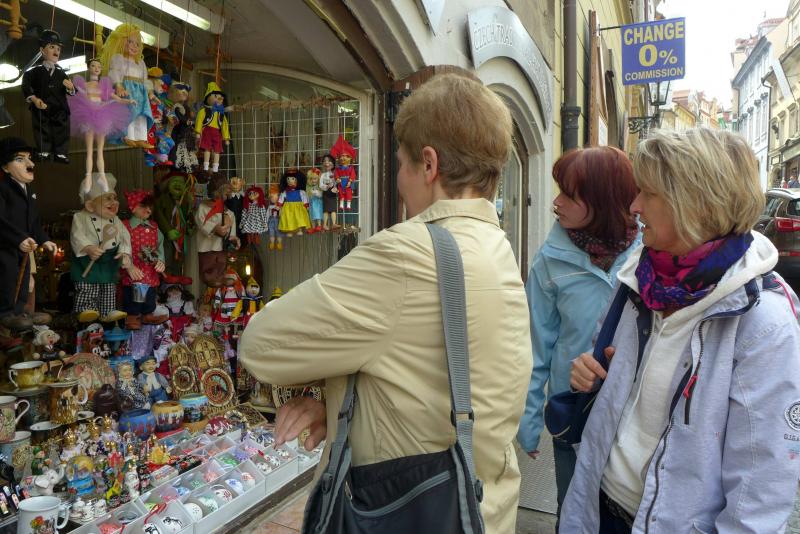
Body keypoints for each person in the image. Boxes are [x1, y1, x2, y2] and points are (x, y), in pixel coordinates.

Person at [239, 73, 532, 533]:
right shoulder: (497, 246)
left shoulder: (406, 254)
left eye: (401, 164)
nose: (399, 181)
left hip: (406, 512)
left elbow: (261, 345)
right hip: (479, 510)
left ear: (429, 164)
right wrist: (335, 402)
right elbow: (427, 377)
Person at [563, 128, 800, 533]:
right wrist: (590, 372)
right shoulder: (639, 277)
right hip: (598, 507)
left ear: (695, 204)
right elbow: (613, 372)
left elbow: (760, 490)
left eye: (649, 193)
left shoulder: (762, 322)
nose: (635, 206)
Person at [516, 146, 639, 517]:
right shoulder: (550, 260)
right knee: (572, 510)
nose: (556, 202)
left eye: (569, 195)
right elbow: (536, 345)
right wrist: (530, 421)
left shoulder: (647, 253)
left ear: (603, 201)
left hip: (630, 414)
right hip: (573, 412)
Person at [0, 137, 57, 330]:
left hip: (23, 247)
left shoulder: (29, 191)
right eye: (20, 159)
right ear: (5, 167)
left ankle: (20, 310)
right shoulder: (3, 189)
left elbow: (34, 222)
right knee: (8, 276)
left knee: (23, 278)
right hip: (5, 246)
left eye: (29, 158)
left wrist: (44, 239)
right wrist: (19, 239)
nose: (30, 164)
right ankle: (6, 312)